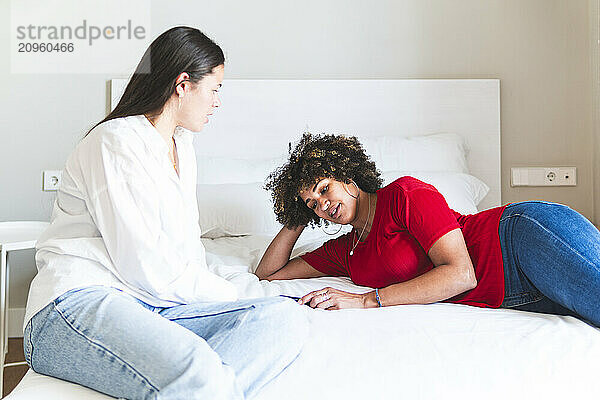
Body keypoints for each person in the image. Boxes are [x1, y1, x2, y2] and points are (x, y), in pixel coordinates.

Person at [23, 27, 307, 400]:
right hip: (81, 300)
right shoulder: (115, 141)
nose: (217, 102)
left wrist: (254, 294)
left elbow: (186, 255)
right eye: (215, 89)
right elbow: (144, 262)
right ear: (183, 84)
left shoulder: (182, 149)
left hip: (155, 307)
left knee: (282, 320)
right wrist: (233, 291)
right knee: (199, 367)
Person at [256, 133, 600, 327]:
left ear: (347, 176)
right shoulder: (346, 251)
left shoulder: (404, 194)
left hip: (520, 240)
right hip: (516, 296)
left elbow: (461, 275)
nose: (322, 204)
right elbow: (268, 274)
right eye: (313, 203)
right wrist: (297, 215)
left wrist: (365, 302)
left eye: (323, 188)